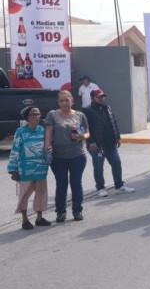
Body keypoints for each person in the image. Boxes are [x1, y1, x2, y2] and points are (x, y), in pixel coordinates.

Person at [45, 90, 89, 222]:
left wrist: (81, 136)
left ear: (72, 101)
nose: (64, 103)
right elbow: (48, 133)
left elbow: (86, 133)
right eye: (61, 100)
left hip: (77, 155)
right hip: (58, 157)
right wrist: (47, 147)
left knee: (76, 183)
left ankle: (77, 211)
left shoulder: (80, 115)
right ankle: (60, 212)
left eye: (67, 100)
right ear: (58, 102)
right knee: (61, 184)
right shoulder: (53, 115)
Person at [84, 88, 135, 197]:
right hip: (97, 145)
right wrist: (91, 141)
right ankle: (100, 188)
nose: (102, 98)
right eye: (99, 97)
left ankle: (119, 186)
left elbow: (113, 122)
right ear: (93, 98)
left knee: (116, 164)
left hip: (110, 143)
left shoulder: (107, 108)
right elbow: (85, 127)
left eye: (103, 96)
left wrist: (117, 137)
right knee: (98, 167)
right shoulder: (87, 110)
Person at [7, 106, 50, 230]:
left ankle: (39, 218)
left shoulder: (43, 130)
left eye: (38, 114)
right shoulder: (20, 131)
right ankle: (25, 220)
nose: (36, 116)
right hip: (25, 170)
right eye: (33, 114)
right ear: (27, 117)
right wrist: (13, 169)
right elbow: (15, 150)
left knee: (41, 194)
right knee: (24, 195)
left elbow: (48, 147)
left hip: (41, 169)